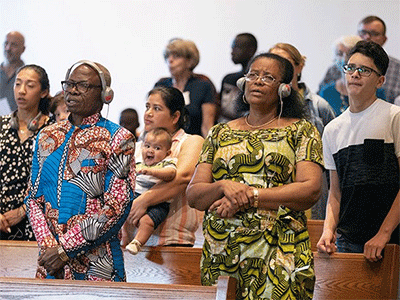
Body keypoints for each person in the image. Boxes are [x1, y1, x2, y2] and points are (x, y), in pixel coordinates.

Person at [186, 53, 324, 299]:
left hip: (279, 252)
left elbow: (310, 189)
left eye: (268, 77)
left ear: (284, 89)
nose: (258, 81)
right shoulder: (219, 133)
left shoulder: (301, 130)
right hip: (221, 252)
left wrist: (250, 195)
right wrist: (223, 186)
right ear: (243, 83)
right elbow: (195, 195)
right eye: (253, 75)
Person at [25, 60, 136, 281]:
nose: (73, 90)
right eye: (69, 84)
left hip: (97, 264)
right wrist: (50, 247)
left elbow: (117, 205)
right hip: (51, 265)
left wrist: (64, 249)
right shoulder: (47, 135)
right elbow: (32, 198)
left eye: (83, 85)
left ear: (105, 95)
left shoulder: (119, 138)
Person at [317, 41, 400, 262]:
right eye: (350, 68)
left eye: (364, 70)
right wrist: (328, 230)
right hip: (347, 242)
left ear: (380, 80)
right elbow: (335, 193)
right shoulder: (333, 129)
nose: (355, 74)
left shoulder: (394, 116)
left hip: (392, 240)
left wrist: (383, 235)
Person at [122, 86, 204, 247]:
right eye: (147, 107)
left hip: (173, 241)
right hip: (131, 242)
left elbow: (182, 178)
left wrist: (143, 200)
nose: (148, 113)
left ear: (175, 117)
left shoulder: (191, 141)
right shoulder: (137, 147)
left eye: (157, 108)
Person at [269, 43, 335, 221]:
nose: (279, 67)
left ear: (299, 67)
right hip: (271, 195)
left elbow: (333, 159)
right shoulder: (264, 107)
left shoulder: (319, 106)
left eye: (285, 61)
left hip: (312, 195)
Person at [0, 64, 52, 240]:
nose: (21, 91)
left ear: (44, 92)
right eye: (17, 84)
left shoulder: (53, 131)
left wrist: (23, 211)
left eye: (29, 86)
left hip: (35, 225)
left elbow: (54, 182)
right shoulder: (1, 125)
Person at [125, 128, 177, 255]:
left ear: (167, 152)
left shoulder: (167, 162)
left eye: (157, 148)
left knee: (147, 222)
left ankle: (137, 243)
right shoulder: (138, 162)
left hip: (159, 202)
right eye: (147, 146)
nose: (150, 150)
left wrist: (152, 171)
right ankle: (124, 239)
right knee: (121, 213)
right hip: (136, 195)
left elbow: (171, 174)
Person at [155, 38, 217, 137]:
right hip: (164, 144)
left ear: (189, 61)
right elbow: (154, 121)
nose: (170, 60)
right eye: (168, 56)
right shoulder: (161, 85)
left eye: (176, 56)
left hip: (195, 143)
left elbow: (207, 126)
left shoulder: (203, 85)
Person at [318, 35, 385, 116]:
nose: (344, 58)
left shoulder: (376, 91)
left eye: (349, 53)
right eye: (340, 53)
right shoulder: (326, 92)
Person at [217, 33, 257, 123]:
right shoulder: (229, 79)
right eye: (232, 48)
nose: (232, 52)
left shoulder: (257, 81)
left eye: (237, 47)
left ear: (251, 50)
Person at [0, 31, 25, 114]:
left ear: (23, 49)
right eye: (6, 44)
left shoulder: (28, 76)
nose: (8, 48)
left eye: (13, 45)